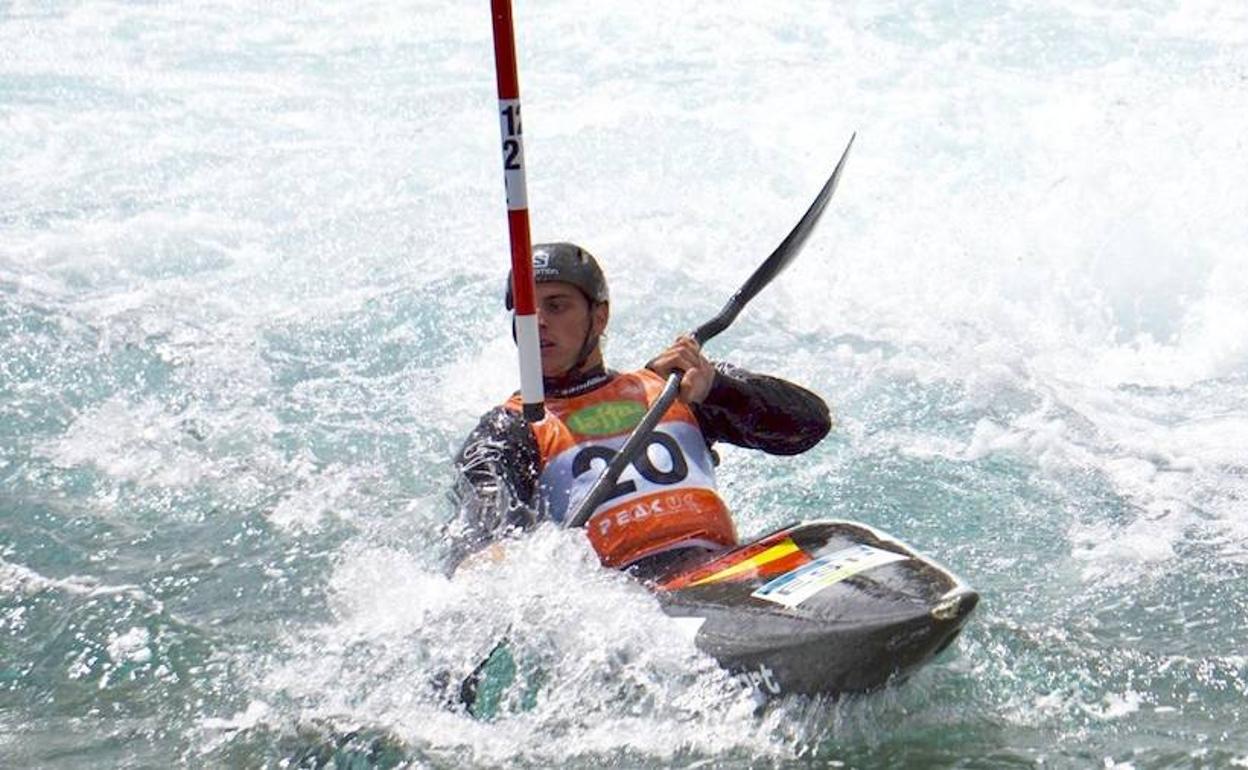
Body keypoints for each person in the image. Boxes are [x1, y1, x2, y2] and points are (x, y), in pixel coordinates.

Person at [444, 242, 831, 575]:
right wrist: (487, 555)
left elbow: (810, 425)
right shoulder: (508, 429)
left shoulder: (675, 385)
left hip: (721, 566)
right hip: (631, 601)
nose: (539, 322)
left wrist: (719, 389)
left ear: (600, 316)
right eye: (527, 311)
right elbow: (476, 531)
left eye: (557, 306)